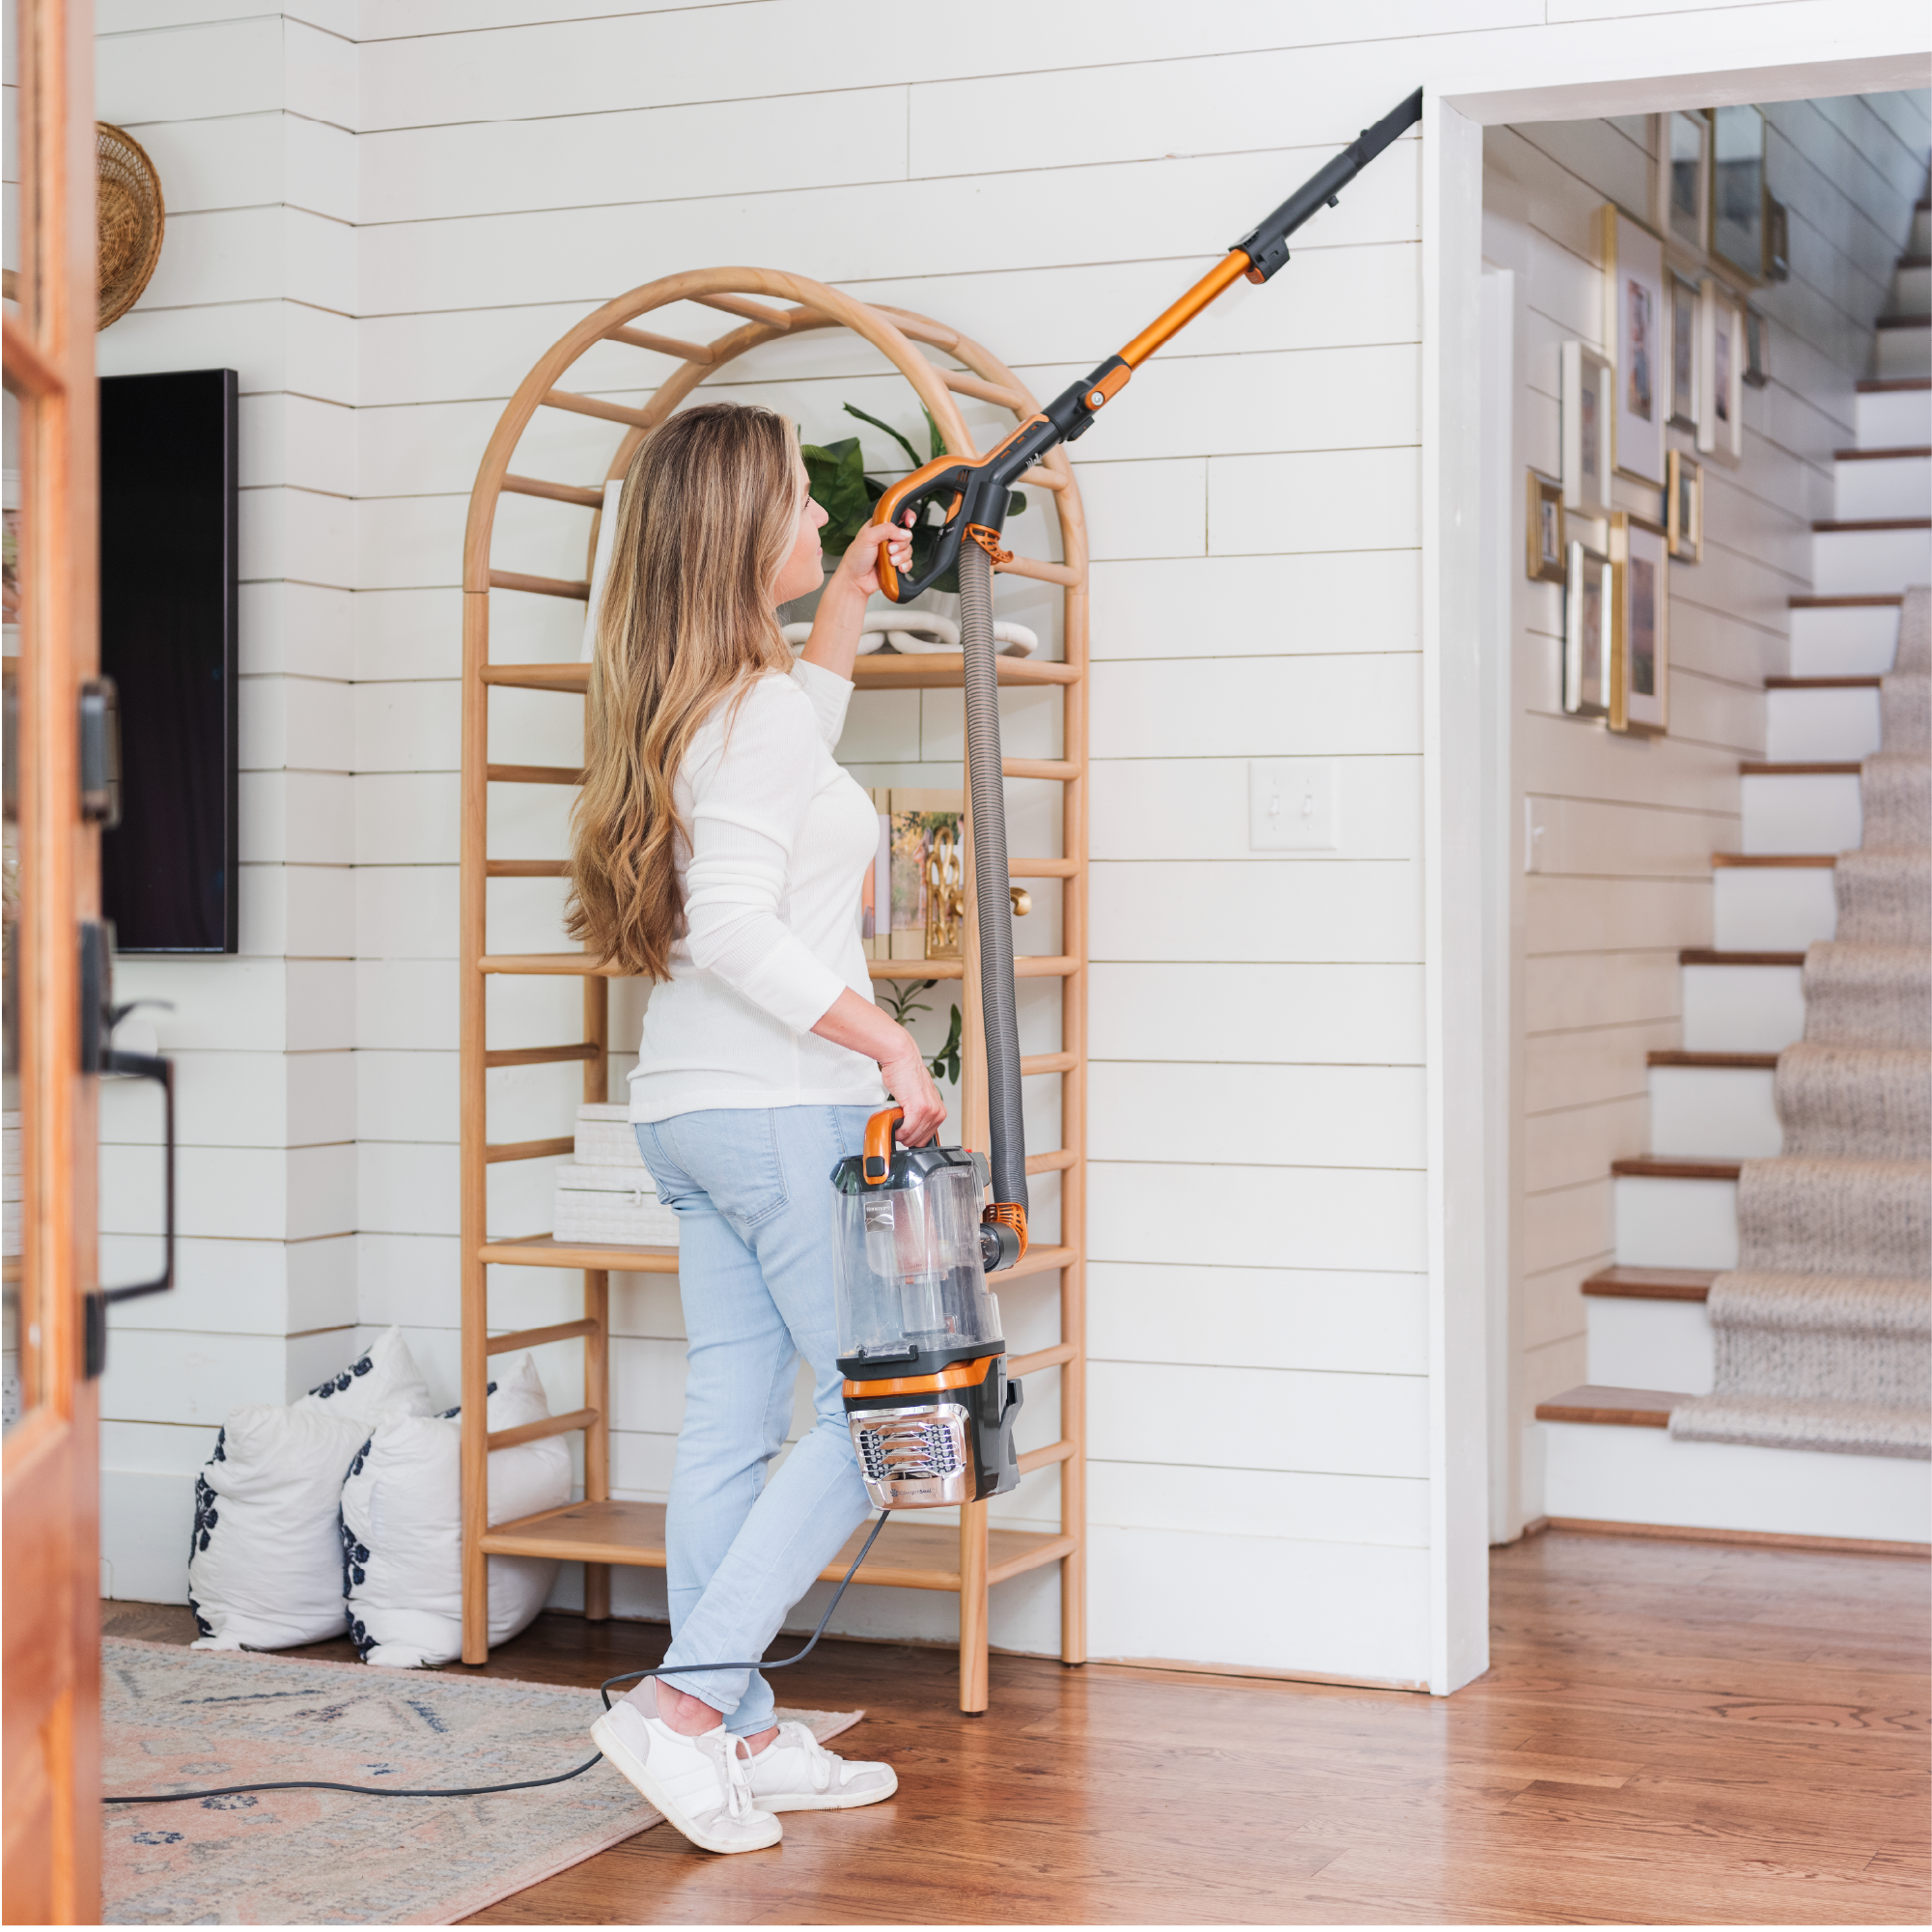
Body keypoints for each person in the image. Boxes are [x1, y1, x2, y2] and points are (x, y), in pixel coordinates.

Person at [569, 402, 942, 1854]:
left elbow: (786, 783)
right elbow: (734, 920)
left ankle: (736, 1732)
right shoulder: (760, 709)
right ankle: (681, 1710)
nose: (817, 523)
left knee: (731, 1421)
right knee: (876, 1419)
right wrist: (887, 1037)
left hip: (690, 1114)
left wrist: (846, 605)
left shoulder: (709, 699)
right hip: (787, 1112)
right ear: (735, 533)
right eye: (799, 505)